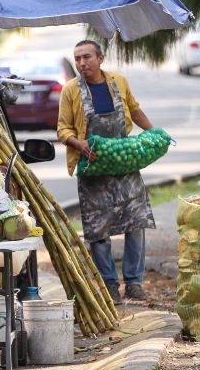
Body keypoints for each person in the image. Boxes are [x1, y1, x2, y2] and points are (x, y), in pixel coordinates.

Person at [57, 40, 156, 305]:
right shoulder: (71, 90)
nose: (81, 63)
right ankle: (109, 284)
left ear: (100, 58)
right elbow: (63, 130)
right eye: (77, 58)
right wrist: (79, 144)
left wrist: (155, 133)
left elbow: (134, 110)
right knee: (98, 230)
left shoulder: (119, 82)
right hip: (93, 169)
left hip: (124, 166)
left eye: (86, 57)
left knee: (137, 222)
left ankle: (134, 282)